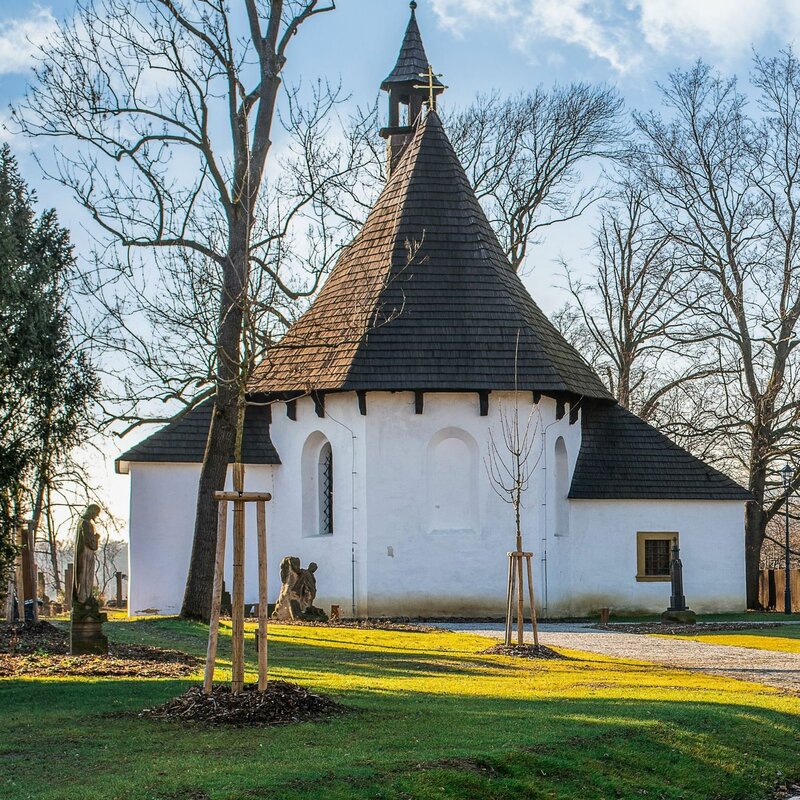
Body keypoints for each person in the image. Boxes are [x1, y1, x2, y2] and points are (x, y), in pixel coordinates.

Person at [73, 504, 102, 606]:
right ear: (92, 512)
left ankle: (85, 597)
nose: (97, 516)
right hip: (85, 553)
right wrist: (96, 538)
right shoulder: (86, 523)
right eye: (96, 513)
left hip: (84, 553)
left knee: (85, 576)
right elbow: (90, 542)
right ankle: (84, 598)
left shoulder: (82, 522)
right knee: (85, 576)